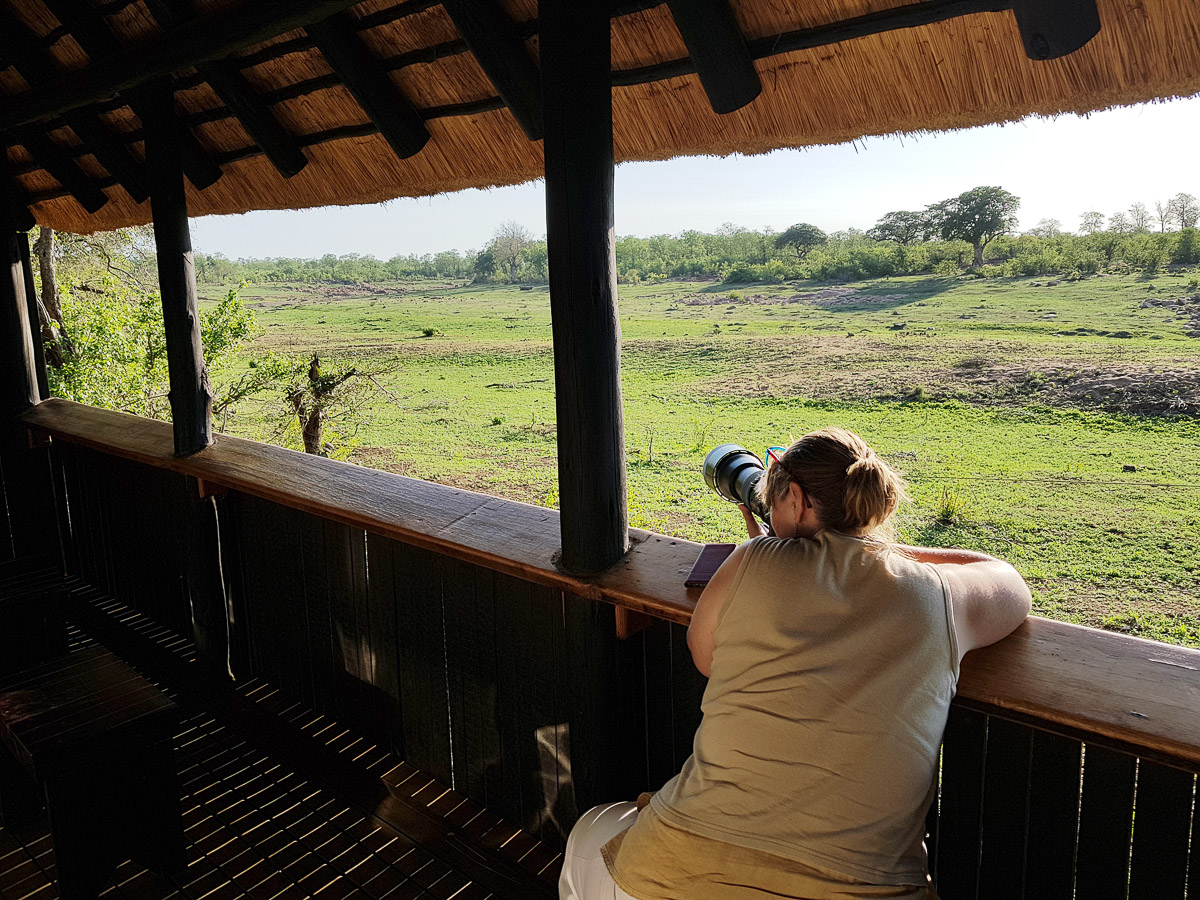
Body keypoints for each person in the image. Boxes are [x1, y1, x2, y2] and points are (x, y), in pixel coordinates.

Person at [560, 427, 1031, 900]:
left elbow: (705, 656)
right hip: (868, 890)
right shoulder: (936, 593)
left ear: (800, 501)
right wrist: (869, 553)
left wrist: (773, 551)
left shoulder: (752, 558)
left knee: (587, 834)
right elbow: (1008, 582)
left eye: (774, 498)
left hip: (681, 870)